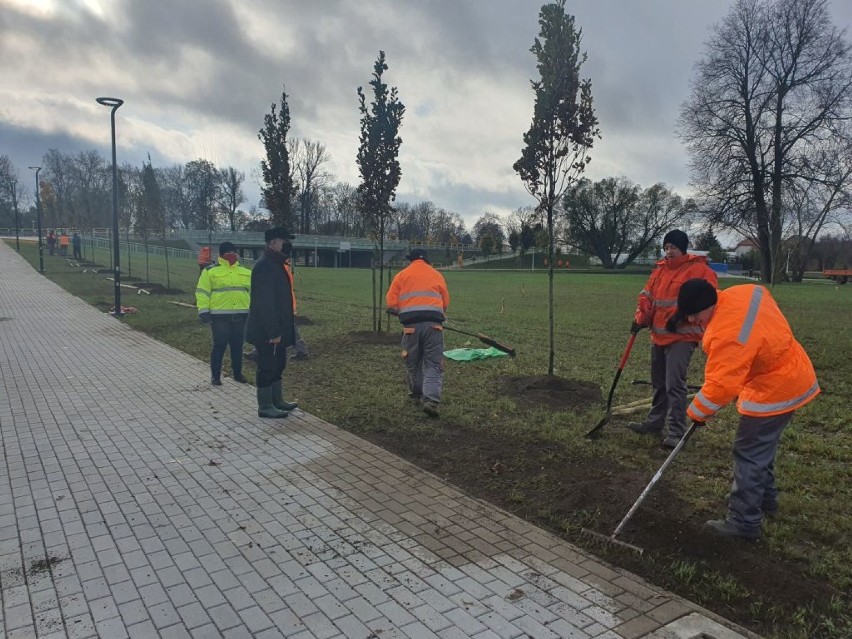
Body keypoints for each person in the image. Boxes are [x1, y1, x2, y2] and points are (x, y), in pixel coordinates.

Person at [674, 278, 820, 540]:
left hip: (774, 388)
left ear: (709, 304)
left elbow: (720, 387)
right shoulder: (745, 292)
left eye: (696, 314)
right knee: (761, 448)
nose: (694, 320)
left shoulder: (726, 333)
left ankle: (743, 522)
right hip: (793, 371)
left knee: (749, 451)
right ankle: (765, 499)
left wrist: (695, 413)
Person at [628, 229, 718, 448]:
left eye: (673, 248)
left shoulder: (698, 270)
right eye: (666, 247)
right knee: (659, 384)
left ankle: (676, 432)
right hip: (658, 335)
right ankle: (654, 423)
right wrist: (640, 319)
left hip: (683, 336)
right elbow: (647, 297)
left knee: (674, 385)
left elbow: (708, 301)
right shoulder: (659, 271)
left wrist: (680, 317)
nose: (669, 252)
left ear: (683, 249)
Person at [386, 248, 450, 417]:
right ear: (427, 260)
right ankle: (431, 401)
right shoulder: (437, 275)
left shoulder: (401, 275)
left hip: (410, 328)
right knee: (433, 364)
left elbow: (392, 302)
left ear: (410, 260)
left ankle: (416, 393)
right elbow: (445, 302)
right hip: (434, 327)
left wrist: (397, 310)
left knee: (413, 363)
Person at [246, 227, 299, 418]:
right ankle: (265, 405)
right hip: (267, 330)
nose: (287, 244)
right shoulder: (264, 266)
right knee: (267, 365)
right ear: (273, 242)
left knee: (278, 364)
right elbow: (265, 304)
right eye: (284, 240)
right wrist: (273, 332)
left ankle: (277, 400)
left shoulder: (277, 264)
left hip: (280, 327)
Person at [195, 242, 251, 386]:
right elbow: (202, 292)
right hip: (219, 317)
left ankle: (237, 374)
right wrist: (203, 311)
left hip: (241, 315)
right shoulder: (210, 271)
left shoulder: (245, 272)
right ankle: (215, 376)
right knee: (219, 345)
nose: (232, 254)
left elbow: (253, 293)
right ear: (221, 254)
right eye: (228, 252)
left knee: (238, 346)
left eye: (234, 251)